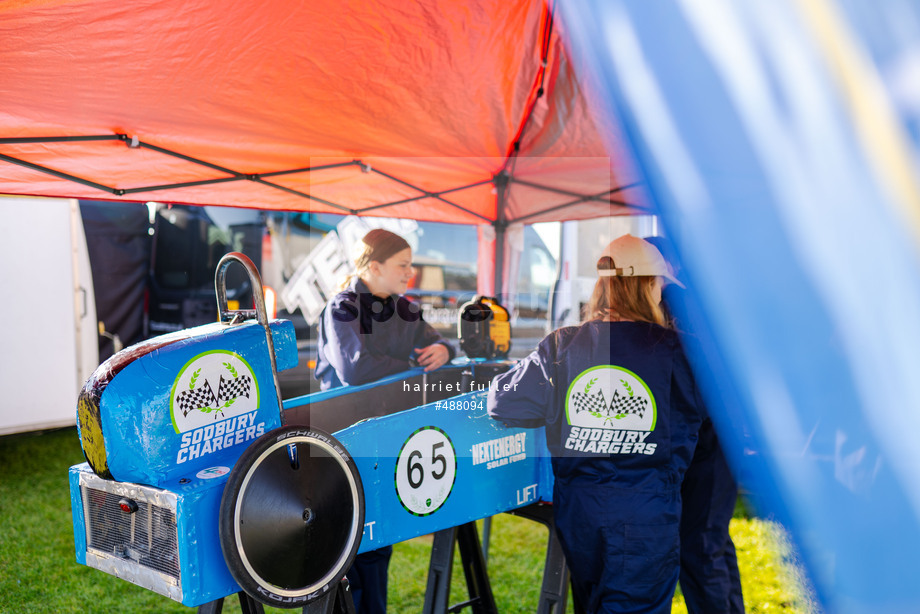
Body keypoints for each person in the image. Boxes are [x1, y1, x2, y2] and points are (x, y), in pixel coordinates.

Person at [487, 234, 705, 614]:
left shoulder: (562, 345)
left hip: (580, 514)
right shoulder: (678, 349)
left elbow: (504, 403)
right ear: (649, 285)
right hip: (645, 512)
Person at [314, 228, 455, 614]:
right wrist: (411, 366)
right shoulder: (342, 307)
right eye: (403, 265)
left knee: (377, 540)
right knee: (347, 544)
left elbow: (440, 340)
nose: (411, 272)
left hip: (385, 435)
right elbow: (354, 369)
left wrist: (444, 348)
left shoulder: (405, 307)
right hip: (341, 439)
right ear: (375, 266)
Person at [643, 235, 745, 614]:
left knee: (701, 546)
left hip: (706, 438)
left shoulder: (676, 302)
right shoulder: (700, 300)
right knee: (711, 541)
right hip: (716, 435)